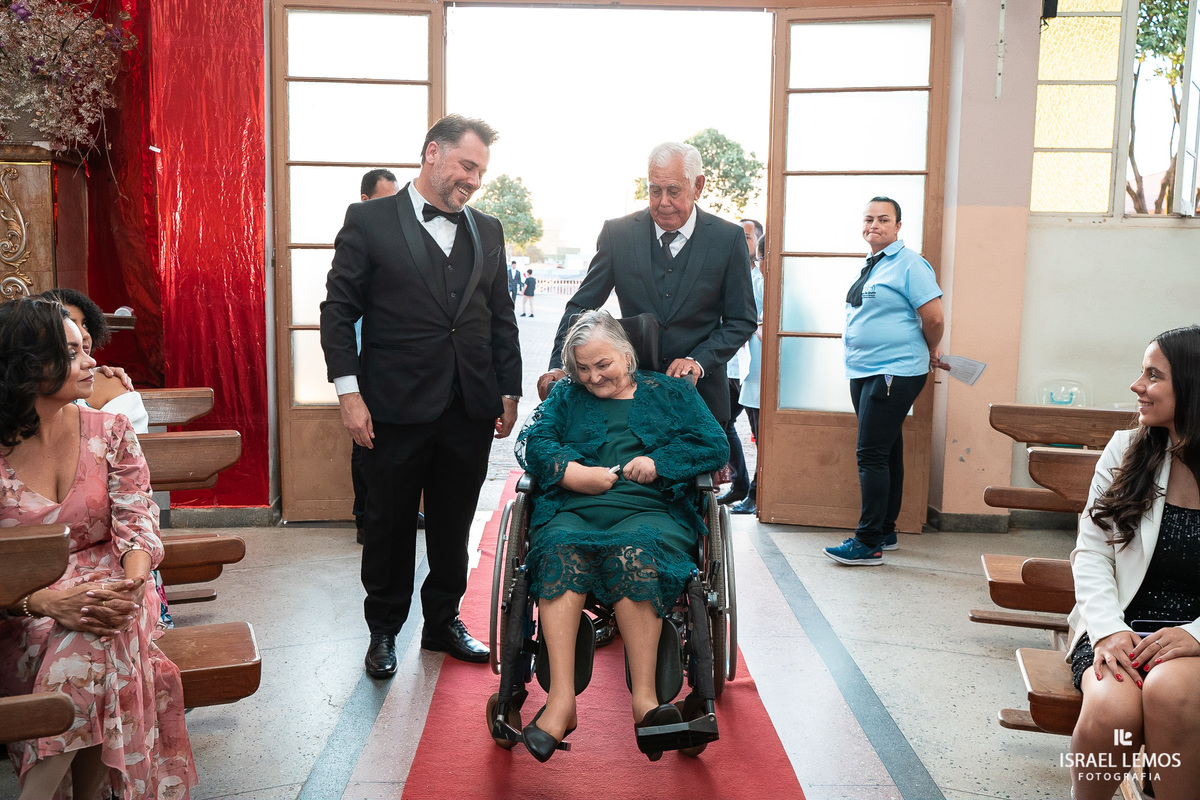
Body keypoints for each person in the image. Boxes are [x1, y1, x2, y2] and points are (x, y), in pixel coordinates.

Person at [320, 114, 522, 677]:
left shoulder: (489, 228)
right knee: (388, 525)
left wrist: (508, 389)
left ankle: (442, 623)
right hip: (391, 410)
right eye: (466, 165)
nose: (474, 180)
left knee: (455, 524)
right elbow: (338, 313)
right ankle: (383, 630)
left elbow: (499, 317)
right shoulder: (369, 221)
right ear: (432, 153)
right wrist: (349, 395)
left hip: (468, 409)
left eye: (480, 171)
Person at [0, 297, 197, 800]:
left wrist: (132, 586)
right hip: (21, 603)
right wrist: (41, 602)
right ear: (29, 364)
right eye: (72, 352)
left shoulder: (111, 430)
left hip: (117, 582)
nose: (92, 360)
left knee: (100, 627)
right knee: (94, 641)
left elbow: (138, 522)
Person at [515, 310, 728, 763]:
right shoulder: (567, 397)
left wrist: (660, 462)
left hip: (650, 510)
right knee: (557, 549)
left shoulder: (670, 392)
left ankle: (646, 702)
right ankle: (560, 702)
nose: (593, 377)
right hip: (575, 507)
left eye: (603, 365)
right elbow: (535, 441)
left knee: (634, 552)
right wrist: (572, 474)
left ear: (627, 355)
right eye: (583, 368)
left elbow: (713, 443)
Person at [1067, 326, 1200, 800]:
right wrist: (1106, 627)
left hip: (1192, 633)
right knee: (1112, 713)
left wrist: (1195, 634)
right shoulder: (1126, 450)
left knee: (1170, 693)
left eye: (1153, 375)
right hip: (1120, 621)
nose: (1136, 385)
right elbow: (1091, 550)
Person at [537, 141, 756, 426]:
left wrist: (698, 361)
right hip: (628, 398)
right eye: (655, 190)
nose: (663, 202)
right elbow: (581, 305)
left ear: (698, 186)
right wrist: (559, 365)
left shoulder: (728, 239)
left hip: (701, 401)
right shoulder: (619, 234)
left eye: (674, 191)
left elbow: (742, 320)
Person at [825, 196, 948, 566]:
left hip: (893, 369)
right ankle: (886, 529)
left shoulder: (909, 264)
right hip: (866, 368)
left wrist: (930, 349)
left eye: (883, 219)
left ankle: (868, 543)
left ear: (898, 227)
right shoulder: (873, 265)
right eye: (868, 219)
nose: (874, 225)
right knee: (887, 448)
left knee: (871, 454)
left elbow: (935, 318)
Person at [350, 170, 404, 546]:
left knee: (383, 442)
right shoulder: (358, 237)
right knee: (363, 441)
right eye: (385, 201)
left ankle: (387, 511)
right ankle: (364, 516)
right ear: (366, 201)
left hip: (391, 369)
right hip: (360, 363)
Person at [39, 287, 147, 433]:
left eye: (85, 324)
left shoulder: (112, 383)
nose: (84, 334)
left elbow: (128, 447)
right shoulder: (29, 388)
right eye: (69, 324)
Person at [717, 218, 762, 507]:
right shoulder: (727, 276)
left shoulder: (761, 280)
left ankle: (757, 494)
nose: (740, 241)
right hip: (729, 365)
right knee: (722, 423)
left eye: (747, 237)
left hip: (754, 370)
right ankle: (739, 483)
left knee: (760, 432)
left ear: (757, 242)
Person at [731, 231, 767, 516]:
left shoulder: (767, 283)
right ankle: (747, 488)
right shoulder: (753, 279)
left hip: (760, 373)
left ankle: (755, 492)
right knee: (753, 432)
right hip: (748, 371)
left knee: (764, 437)